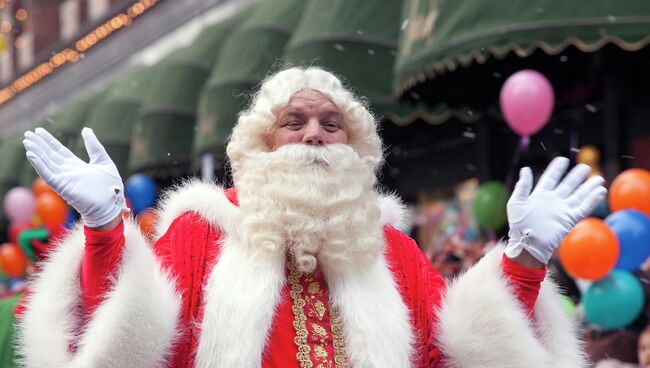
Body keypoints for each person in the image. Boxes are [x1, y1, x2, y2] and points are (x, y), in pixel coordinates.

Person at [17, 67, 606, 368]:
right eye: (294, 121)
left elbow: (451, 355)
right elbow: (133, 347)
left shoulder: (391, 253)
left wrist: (524, 258)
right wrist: (102, 229)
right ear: (261, 144)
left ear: (355, 148)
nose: (314, 136)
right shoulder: (202, 234)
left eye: (331, 124)